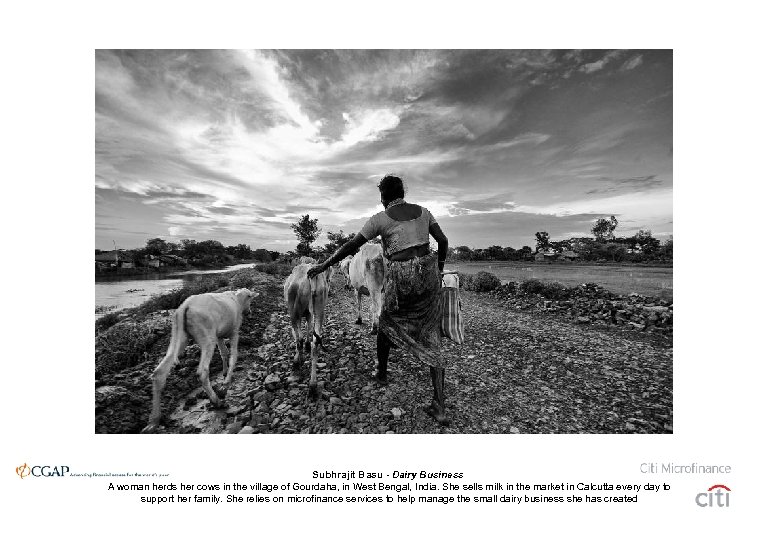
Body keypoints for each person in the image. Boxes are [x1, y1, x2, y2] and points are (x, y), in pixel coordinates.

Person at [307, 174, 451, 425]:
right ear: (402, 193)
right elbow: (443, 241)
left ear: (383, 197)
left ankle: (382, 373)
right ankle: (439, 406)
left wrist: (323, 265)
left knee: (385, 324)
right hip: (427, 278)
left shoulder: (379, 219)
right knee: (431, 334)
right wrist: (438, 270)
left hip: (402, 280)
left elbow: (351, 247)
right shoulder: (425, 213)